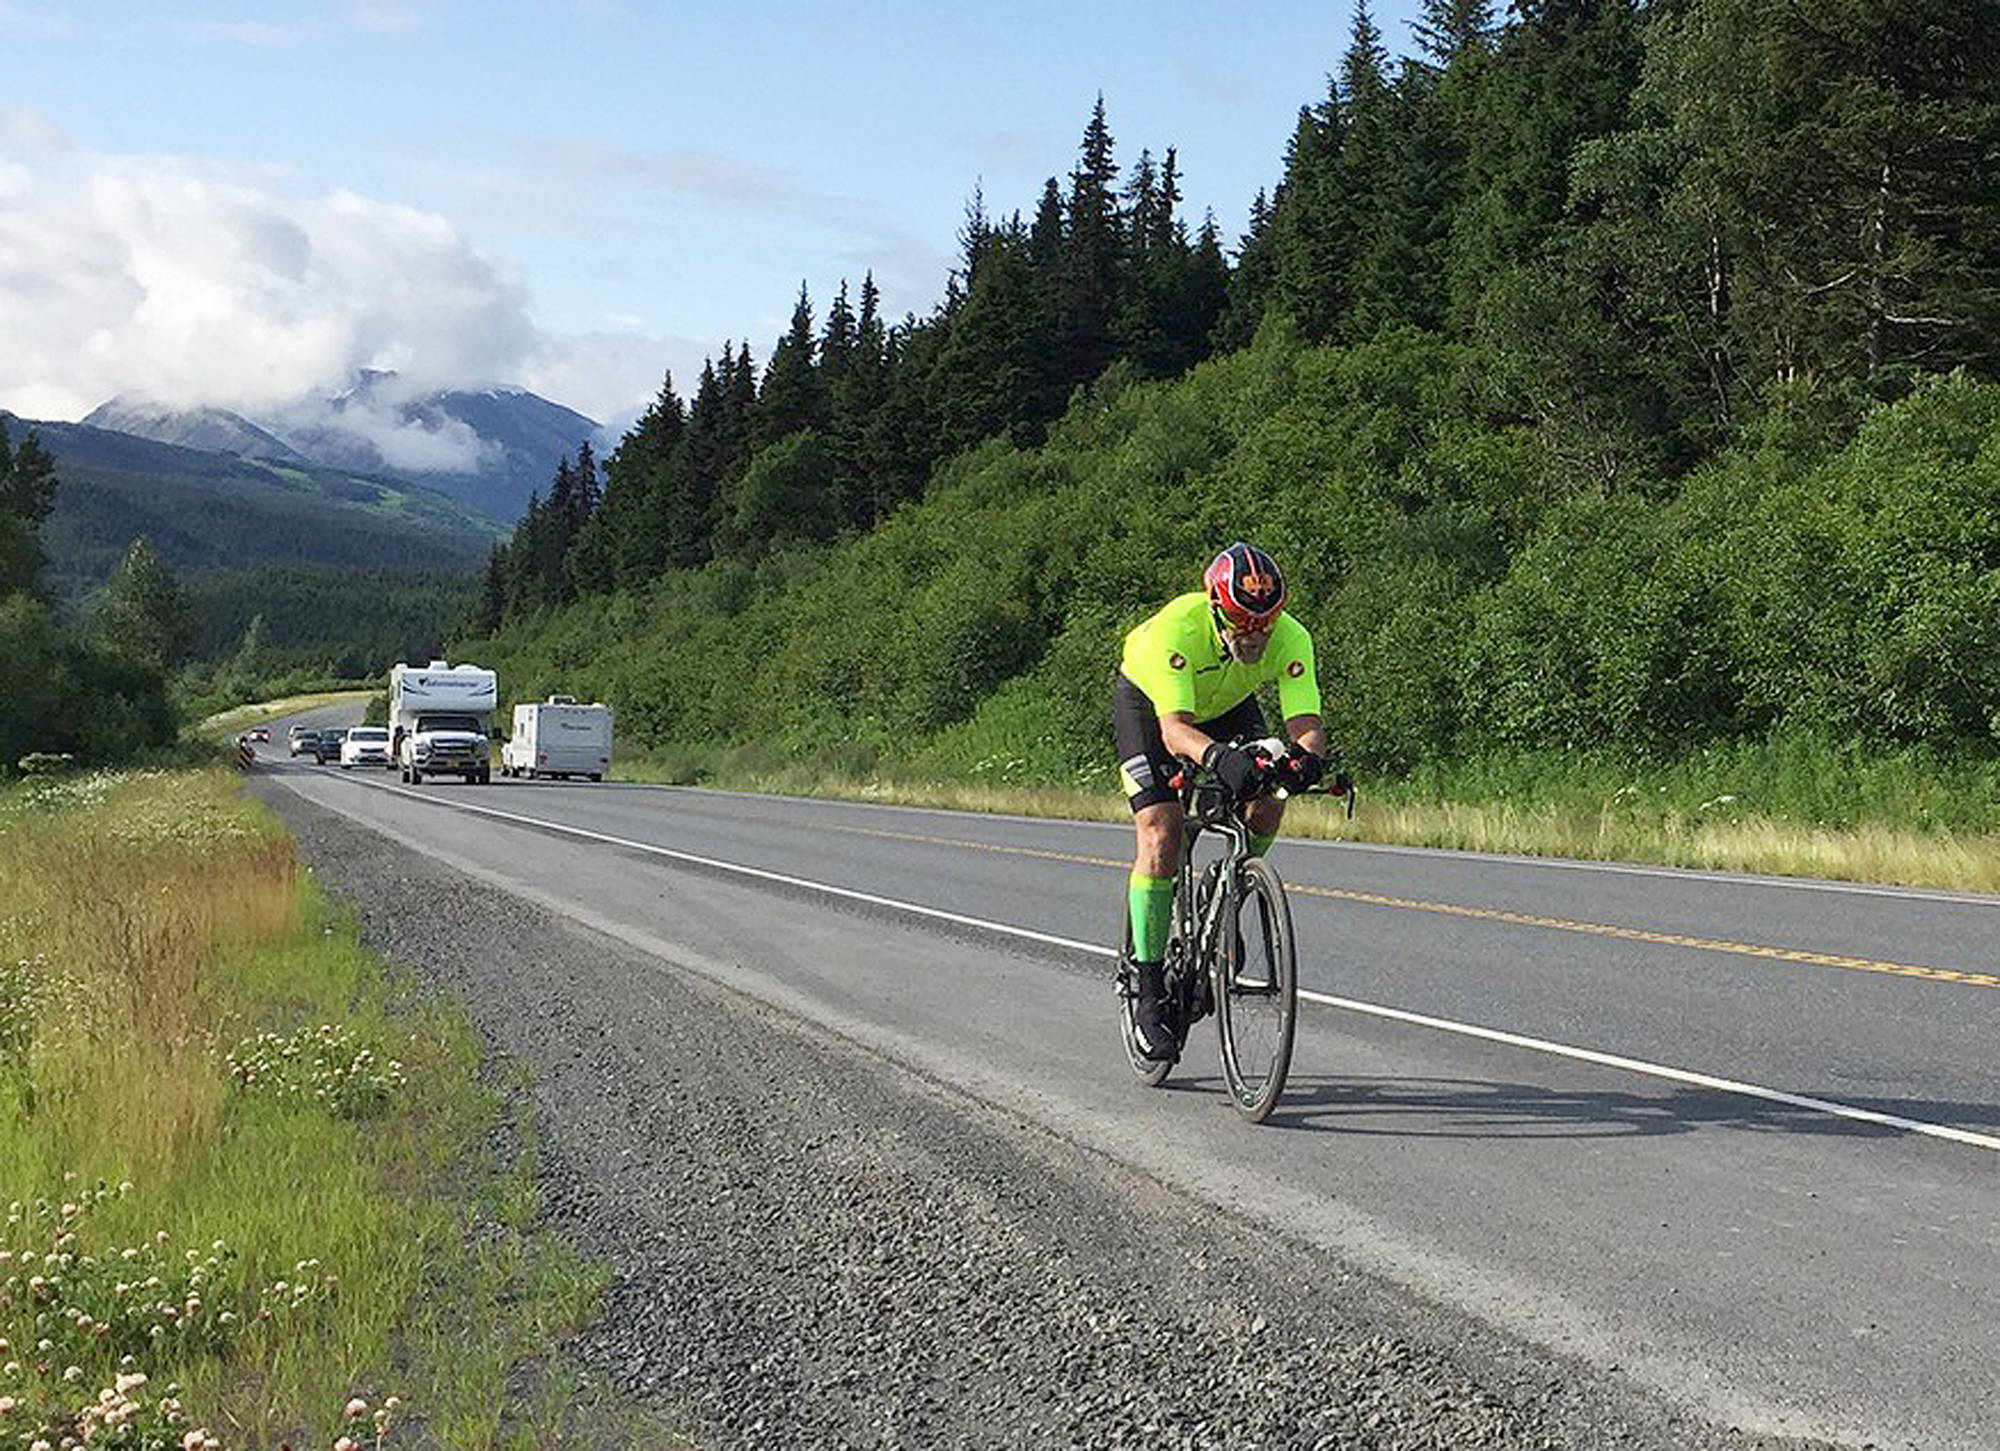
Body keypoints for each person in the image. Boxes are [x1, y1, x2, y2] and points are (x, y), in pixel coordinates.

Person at [1113, 542, 1329, 1060]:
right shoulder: (1177, 631)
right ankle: (1146, 988)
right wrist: (1220, 761)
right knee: (1162, 829)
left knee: (1270, 794)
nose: (1255, 635)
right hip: (1152, 705)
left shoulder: (1291, 637)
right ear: (1215, 608)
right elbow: (1174, 732)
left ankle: (1227, 882)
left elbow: (1306, 725)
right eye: (1240, 622)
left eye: (1266, 623)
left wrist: (1306, 760)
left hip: (1229, 705)